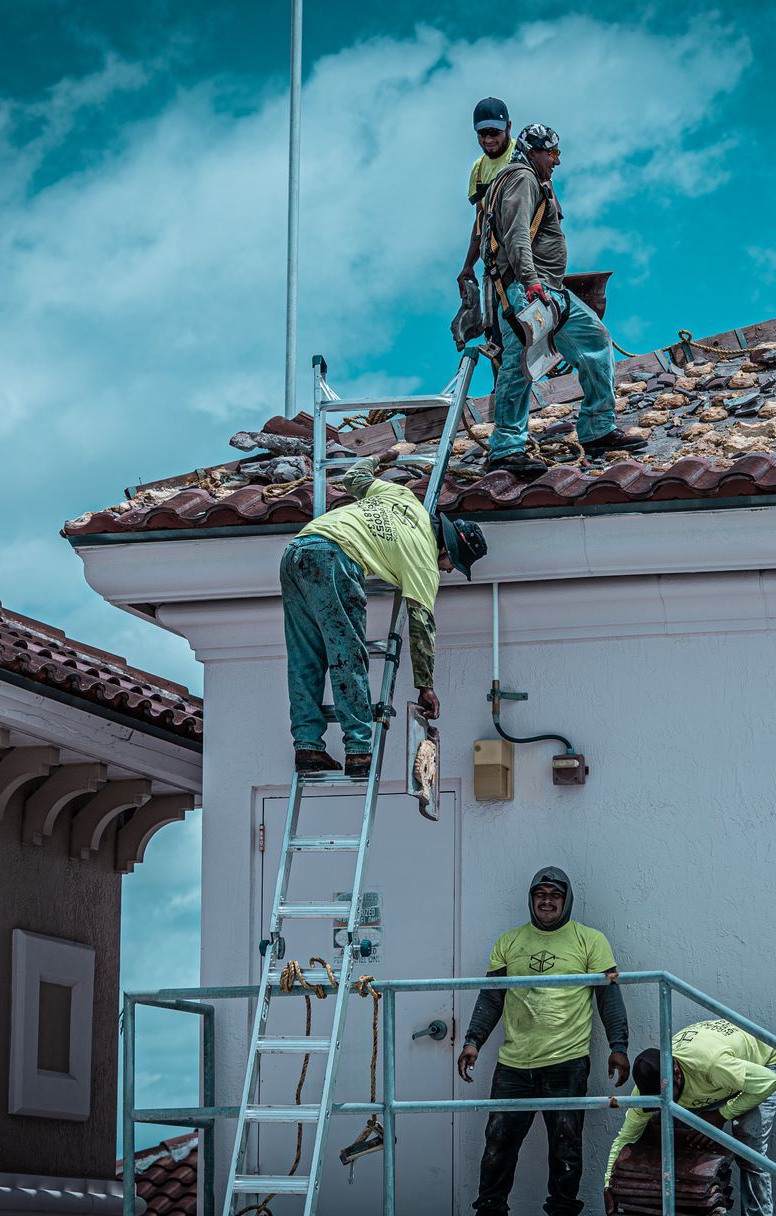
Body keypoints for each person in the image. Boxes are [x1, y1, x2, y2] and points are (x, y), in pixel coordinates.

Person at [457, 867, 630, 1216]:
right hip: (514, 1064)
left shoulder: (590, 941)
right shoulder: (509, 941)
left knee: (566, 1146)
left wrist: (619, 1046)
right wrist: (473, 1041)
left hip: (567, 1061)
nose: (547, 900)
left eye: (555, 894)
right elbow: (492, 997)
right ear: (531, 898)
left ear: (566, 900)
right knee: (498, 1145)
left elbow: (608, 997)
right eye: (540, 894)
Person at [280, 460, 485, 777]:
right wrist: (425, 687)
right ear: (446, 548)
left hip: (297, 550)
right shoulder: (424, 564)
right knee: (347, 654)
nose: (447, 571)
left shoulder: (403, 498)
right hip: (335, 557)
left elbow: (355, 477)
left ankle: (308, 747)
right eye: (452, 564)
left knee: (305, 655)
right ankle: (359, 750)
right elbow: (421, 629)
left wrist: (379, 456)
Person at [476, 123, 645, 479]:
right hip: (528, 289)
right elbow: (516, 234)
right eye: (552, 154)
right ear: (535, 151)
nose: (556, 162)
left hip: (549, 289)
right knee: (519, 363)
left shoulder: (533, 181)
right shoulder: (521, 177)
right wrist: (531, 280)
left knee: (595, 340)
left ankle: (598, 429)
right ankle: (506, 448)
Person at [606, 1019, 776, 1216]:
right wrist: (608, 1183)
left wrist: (721, 1115)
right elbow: (625, 1137)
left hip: (763, 1065)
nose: (665, 1100)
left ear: (677, 1075)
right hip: (722, 1076)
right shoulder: (649, 1083)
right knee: (660, 1127)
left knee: (749, 1147)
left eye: (670, 1094)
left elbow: (768, 1081)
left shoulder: (712, 1065)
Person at [458, 97, 515, 287]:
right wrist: (468, 266)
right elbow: (480, 221)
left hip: (528, 253)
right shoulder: (479, 168)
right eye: (482, 133)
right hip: (497, 261)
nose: (488, 140)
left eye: (494, 132)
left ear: (508, 126)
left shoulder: (522, 154)